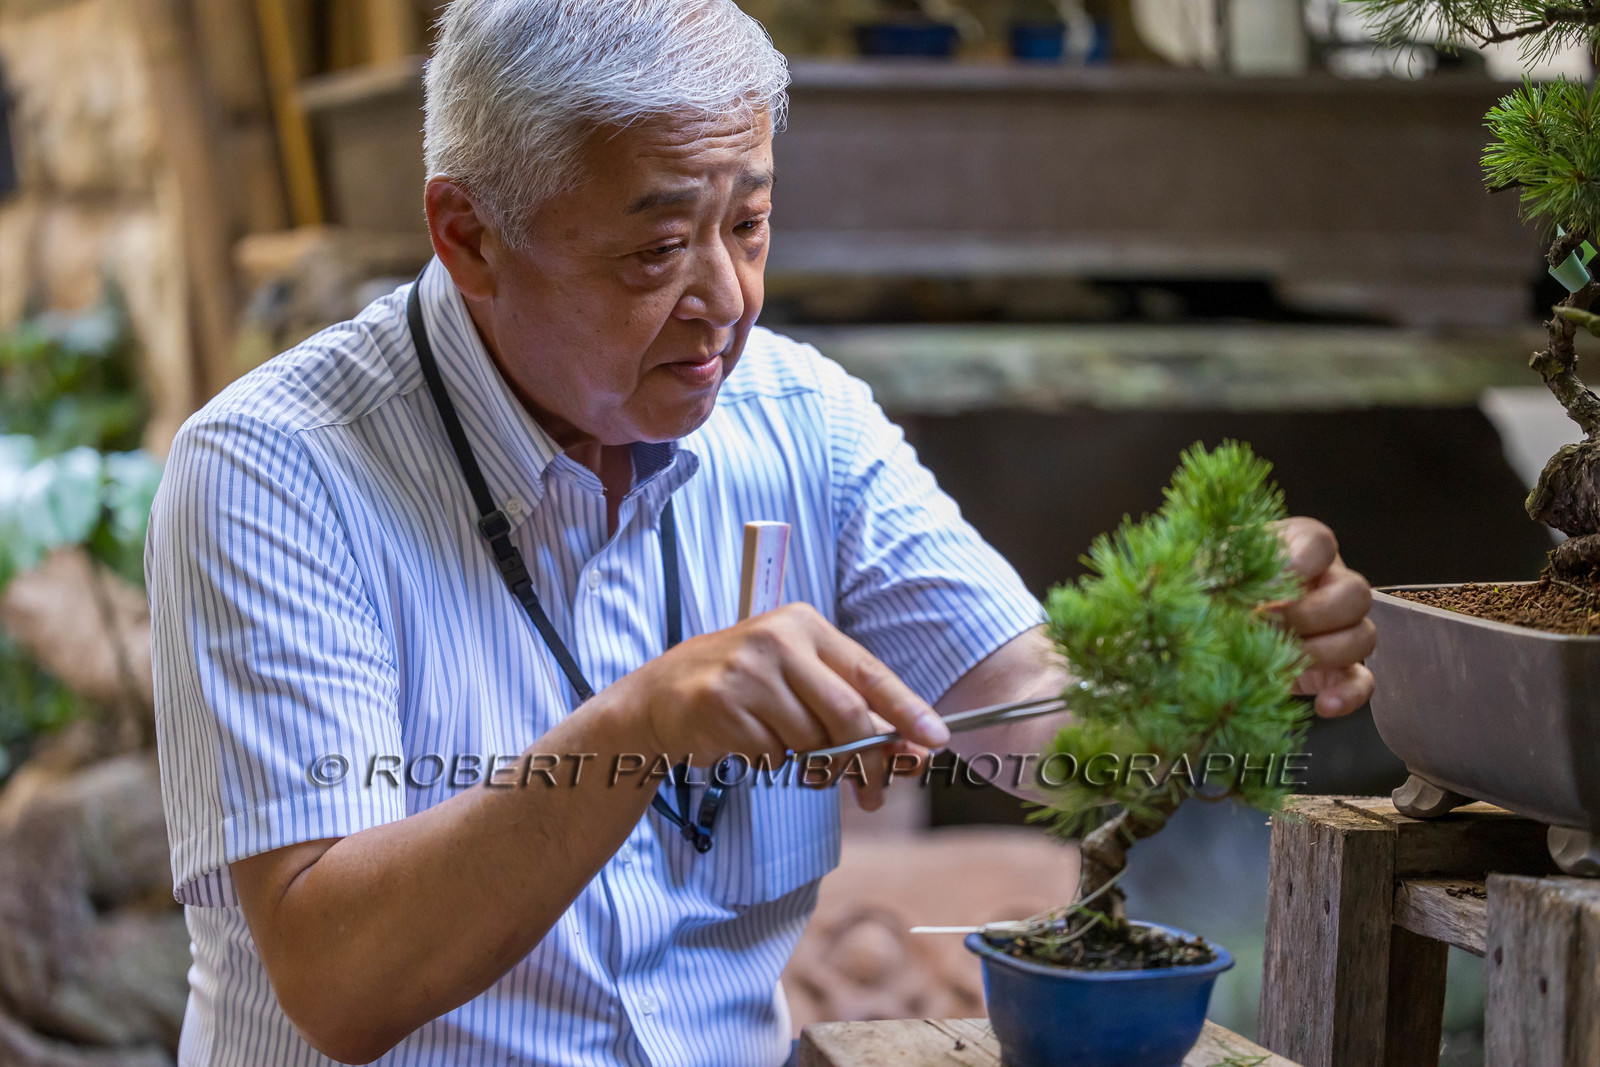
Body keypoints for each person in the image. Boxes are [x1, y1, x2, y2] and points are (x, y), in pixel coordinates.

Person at [145, 1, 1376, 1064]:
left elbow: (1041, 731)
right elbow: (339, 979)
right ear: (468, 234)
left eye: (748, 224)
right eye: (657, 247)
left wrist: (1218, 649)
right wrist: (643, 721)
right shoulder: (274, 473)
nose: (726, 302)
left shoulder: (804, 419)